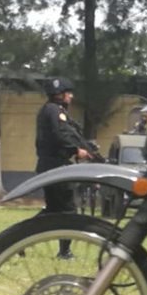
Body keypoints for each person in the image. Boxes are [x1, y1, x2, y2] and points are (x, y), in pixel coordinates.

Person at [35, 77, 92, 258]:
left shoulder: (55, 110)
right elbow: (59, 136)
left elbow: (67, 134)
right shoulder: (53, 111)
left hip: (51, 164)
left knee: (53, 209)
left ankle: (18, 239)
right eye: (69, 93)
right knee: (68, 209)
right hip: (56, 165)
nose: (71, 96)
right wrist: (76, 150)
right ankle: (65, 252)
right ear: (60, 94)